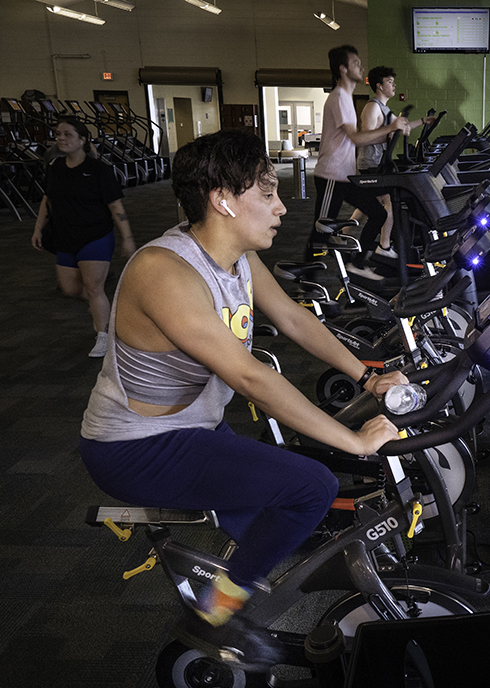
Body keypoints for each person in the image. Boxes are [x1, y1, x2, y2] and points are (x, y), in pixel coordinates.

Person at [79, 129, 407, 659]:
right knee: (311, 487)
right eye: (268, 192)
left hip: (194, 428)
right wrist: (354, 441)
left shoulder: (236, 257)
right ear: (223, 200)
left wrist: (369, 377)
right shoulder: (165, 272)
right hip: (135, 448)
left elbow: (295, 320)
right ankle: (216, 611)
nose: (281, 206)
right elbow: (253, 378)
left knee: (284, 521)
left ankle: (233, 569)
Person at [31, 117, 135, 357]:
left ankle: (104, 336)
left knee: (93, 286)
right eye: (58, 134)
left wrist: (127, 238)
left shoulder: (98, 170)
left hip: (95, 235)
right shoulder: (55, 168)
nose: (61, 138)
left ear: (82, 140)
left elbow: (115, 206)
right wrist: (38, 228)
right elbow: (48, 200)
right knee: (69, 289)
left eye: (68, 134)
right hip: (65, 236)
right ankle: (105, 312)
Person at [307, 45, 410, 280]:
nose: (360, 66)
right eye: (355, 63)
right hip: (331, 176)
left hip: (345, 176)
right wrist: (391, 128)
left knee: (378, 214)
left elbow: (355, 138)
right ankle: (307, 283)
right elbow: (357, 138)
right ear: (343, 69)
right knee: (320, 233)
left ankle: (357, 263)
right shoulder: (339, 97)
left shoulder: (347, 97)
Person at [349, 65, 433, 259]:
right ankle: (384, 247)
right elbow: (366, 137)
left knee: (367, 205)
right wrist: (389, 134)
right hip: (371, 163)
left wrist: (423, 121)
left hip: (379, 163)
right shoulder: (372, 107)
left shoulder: (385, 109)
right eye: (390, 82)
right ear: (379, 86)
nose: (394, 85)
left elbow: (402, 127)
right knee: (389, 202)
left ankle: (342, 234)